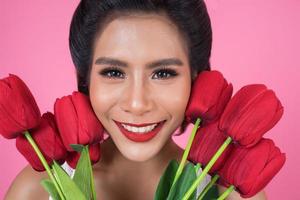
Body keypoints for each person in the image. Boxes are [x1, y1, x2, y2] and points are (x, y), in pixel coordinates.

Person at [5, 0, 267, 199]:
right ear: (86, 80)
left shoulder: (228, 193)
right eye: (114, 72)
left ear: (196, 79)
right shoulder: (35, 192)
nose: (137, 103)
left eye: (163, 73)